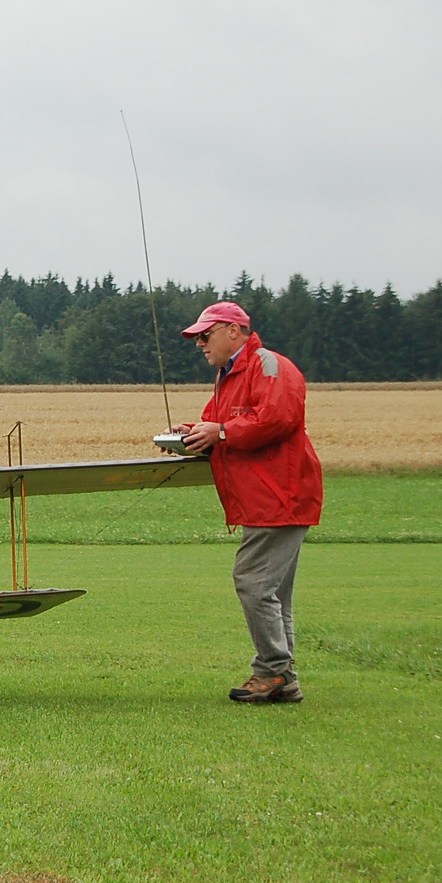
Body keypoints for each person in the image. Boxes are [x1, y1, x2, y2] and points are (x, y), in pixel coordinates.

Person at [173, 301, 323, 704]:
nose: (200, 344)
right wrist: (192, 432)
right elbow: (220, 422)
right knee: (273, 595)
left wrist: (219, 433)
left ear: (232, 331)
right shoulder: (230, 375)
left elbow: (277, 418)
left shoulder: (268, 366)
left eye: (205, 335)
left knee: (253, 583)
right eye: (198, 338)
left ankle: (271, 671)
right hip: (267, 499)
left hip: (280, 496)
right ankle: (283, 679)